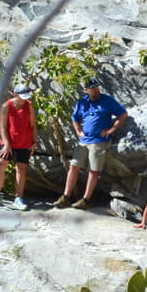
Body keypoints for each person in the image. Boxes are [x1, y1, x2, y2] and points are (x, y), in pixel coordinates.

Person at [55, 78, 128, 209]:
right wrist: (78, 131)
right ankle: (65, 197)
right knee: (74, 166)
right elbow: (74, 117)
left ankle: (85, 200)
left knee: (94, 170)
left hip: (99, 141)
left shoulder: (107, 100)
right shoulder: (82, 102)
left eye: (97, 87)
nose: (96, 89)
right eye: (93, 88)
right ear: (86, 90)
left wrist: (112, 130)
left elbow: (123, 114)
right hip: (84, 141)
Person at [0, 85, 36, 211]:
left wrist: (35, 142)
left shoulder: (29, 105)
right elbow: (2, 127)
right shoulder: (6, 106)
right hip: (8, 141)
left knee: (21, 168)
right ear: (15, 94)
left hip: (25, 142)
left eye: (26, 97)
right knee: (0, 163)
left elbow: (33, 125)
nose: (24, 99)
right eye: (22, 97)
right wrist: (7, 143)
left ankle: (18, 198)